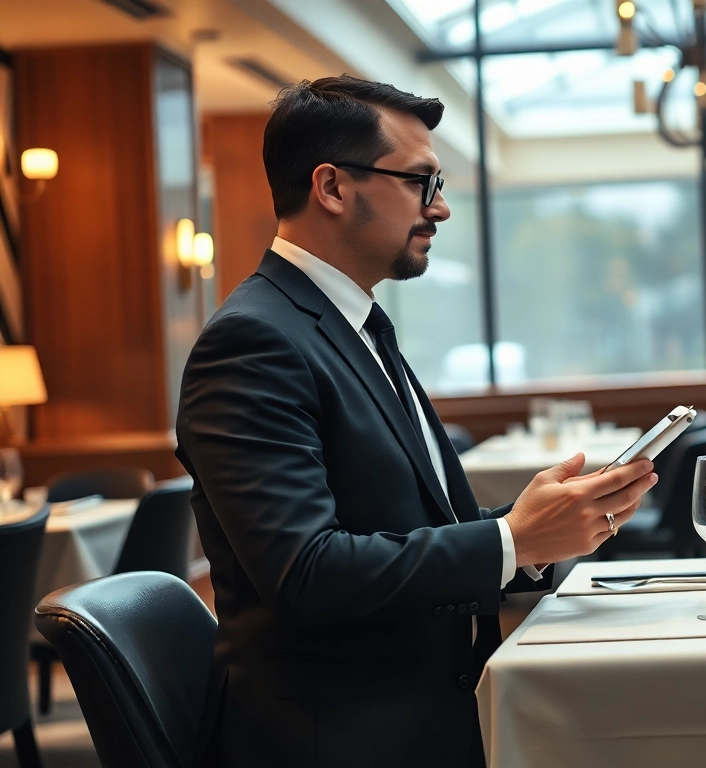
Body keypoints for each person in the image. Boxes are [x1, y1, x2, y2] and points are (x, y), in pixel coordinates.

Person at [175, 75, 659, 768]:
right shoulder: (254, 341)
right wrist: (507, 542)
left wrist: (537, 531)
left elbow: (399, 527)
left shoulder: (354, 322)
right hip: (338, 737)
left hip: (419, 711)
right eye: (422, 182)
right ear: (333, 188)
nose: (443, 209)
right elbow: (305, 573)